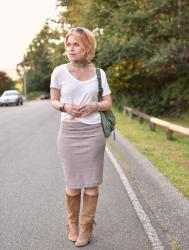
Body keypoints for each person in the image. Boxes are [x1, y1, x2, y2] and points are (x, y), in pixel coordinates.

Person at [50, 27, 112, 247]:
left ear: (87, 47)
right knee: (73, 185)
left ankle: (86, 228)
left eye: (76, 44)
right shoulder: (58, 71)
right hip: (68, 134)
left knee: (92, 185)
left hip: (93, 133)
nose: (71, 48)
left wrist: (95, 105)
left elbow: (108, 103)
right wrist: (65, 106)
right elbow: (54, 100)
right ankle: (73, 225)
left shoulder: (99, 73)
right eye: (68, 44)